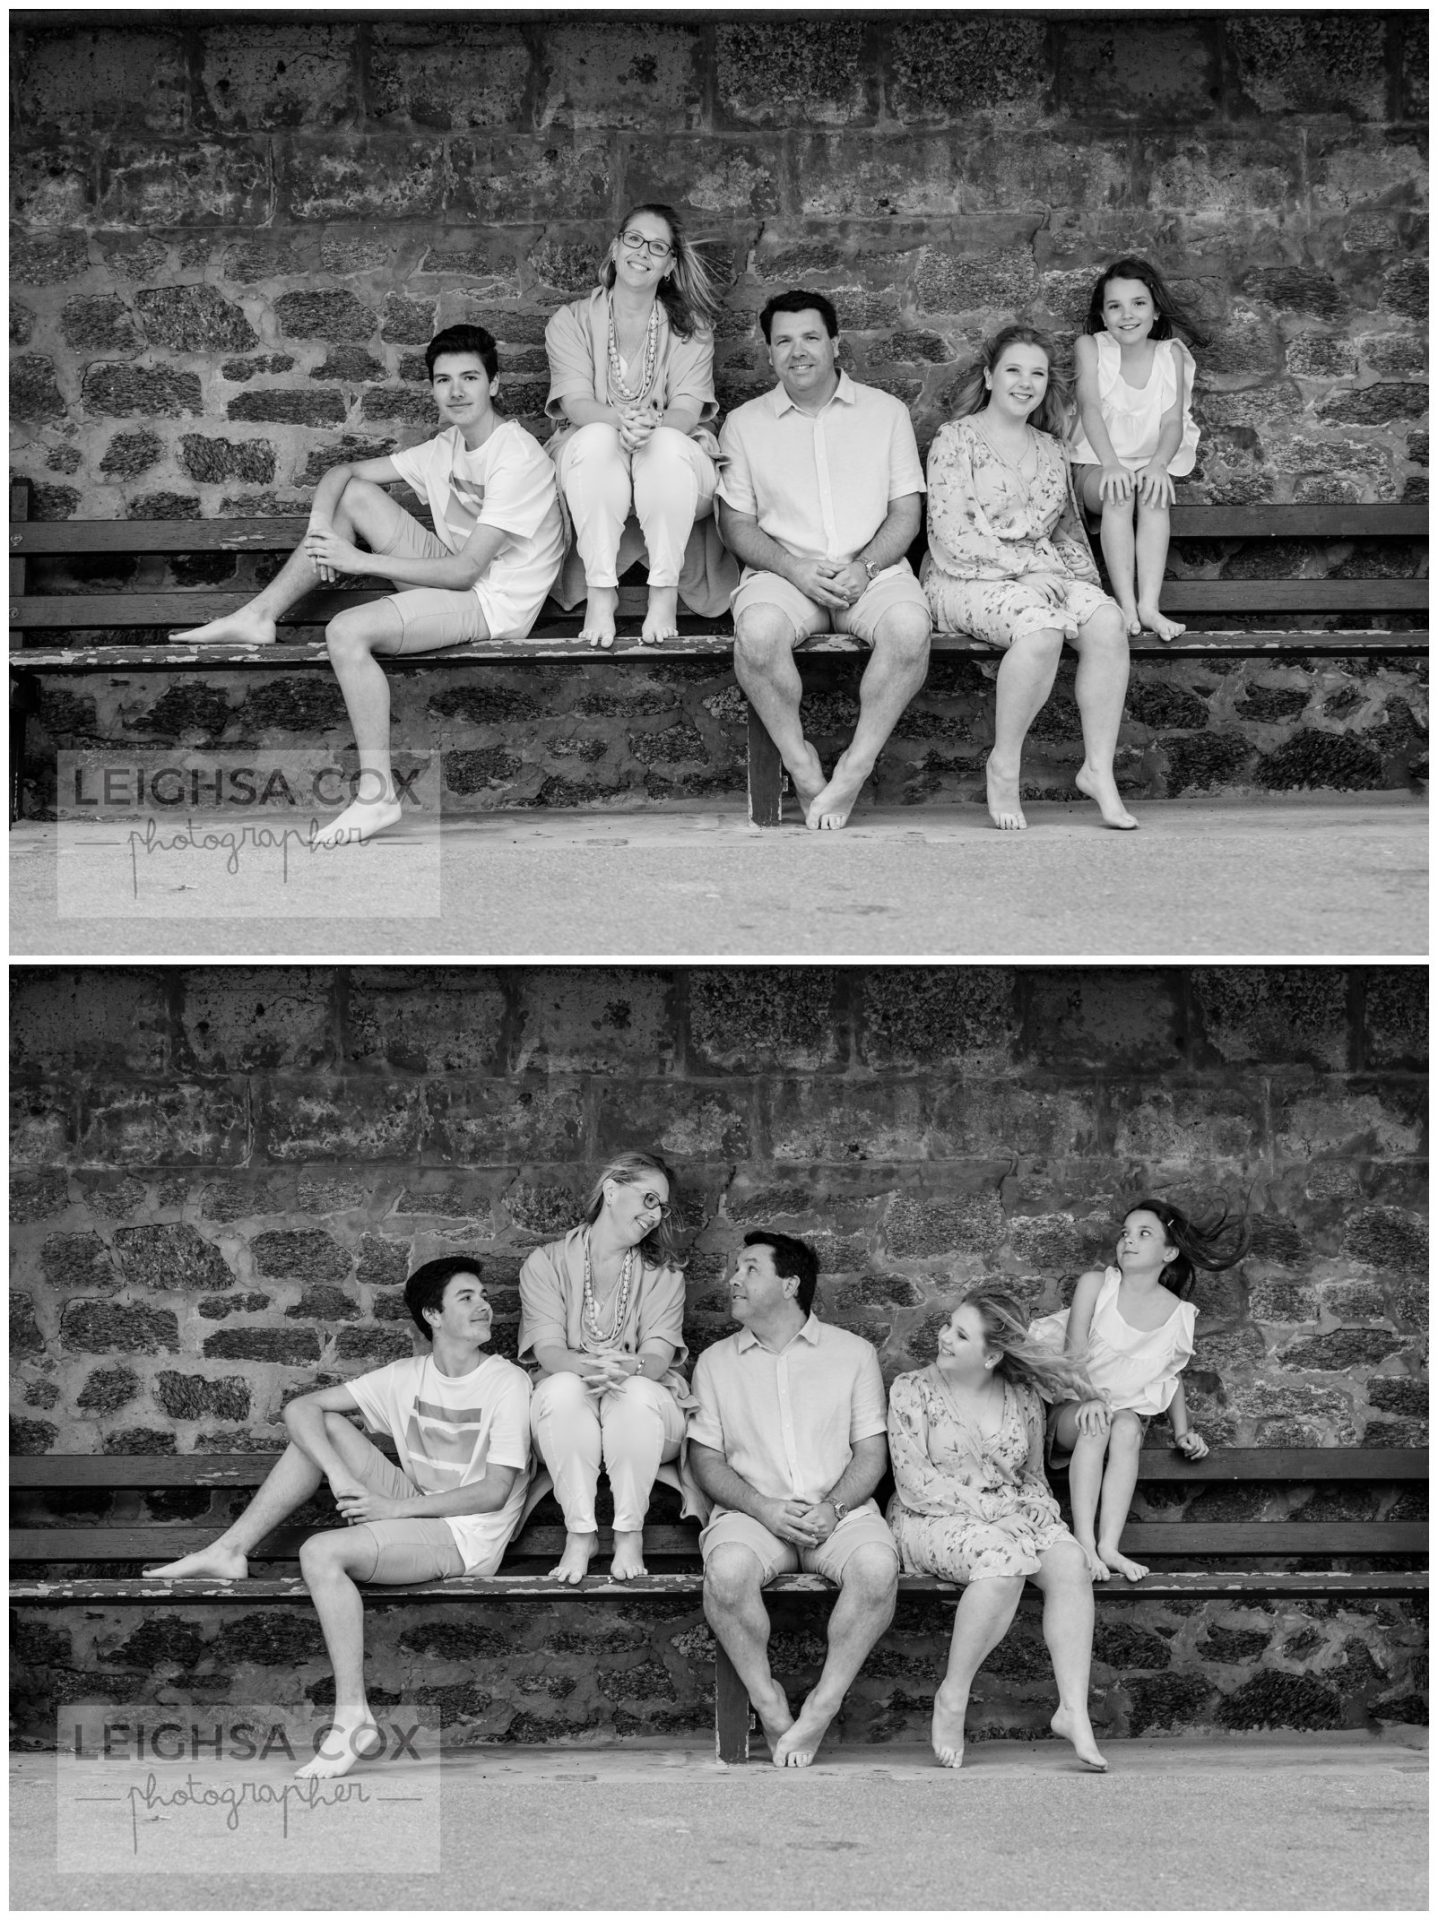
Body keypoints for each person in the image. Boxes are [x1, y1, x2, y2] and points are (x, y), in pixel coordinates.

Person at [170, 324, 564, 846]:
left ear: (494, 384)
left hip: (491, 603)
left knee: (346, 632)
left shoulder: (518, 456)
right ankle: (260, 616)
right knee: (354, 495)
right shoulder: (445, 447)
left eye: (470, 377)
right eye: (444, 380)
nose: (457, 391)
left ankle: (378, 798)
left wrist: (356, 560)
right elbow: (344, 471)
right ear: (432, 389)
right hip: (452, 574)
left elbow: (467, 572)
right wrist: (318, 529)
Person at [141, 1255, 532, 1777]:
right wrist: (340, 1476)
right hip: (416, 1507)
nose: (485, 1305)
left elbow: (494, 1491)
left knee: (319, 1552)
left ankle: (354, 1719)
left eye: (483, 1295)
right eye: (467, 1297)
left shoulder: (506, 1382)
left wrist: (394, 1509)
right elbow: (300, 1409)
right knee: (318, 1428)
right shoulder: (403, 1377)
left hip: (466, 1537)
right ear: (433, 1315)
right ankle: (230, 1551)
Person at [717, 291, 932, 831]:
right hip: (786, 576)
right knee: (758, 633)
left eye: (810, 337)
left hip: (872, 573)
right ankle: (801, 763)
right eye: (783, 341)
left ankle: (855, 769)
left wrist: (866, 567)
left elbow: (906, 512)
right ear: (769, 353)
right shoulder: (744, 424)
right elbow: (735, 524)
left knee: (909, 629)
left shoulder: (886, 413)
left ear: (835, 344)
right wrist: (794, 569)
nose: (798, 351)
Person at [688, 1230, 900, 1767]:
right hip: (753, 1515)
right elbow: (705, 1460)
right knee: (727, 1572)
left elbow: (870, 1453)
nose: (733, 1279)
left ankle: (821, 1710)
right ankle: (769, 1701)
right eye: (736, 1268)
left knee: (877, 1568)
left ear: (790, 1285)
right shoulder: (716, 1362)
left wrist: (834, 1507)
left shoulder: (853, 1354)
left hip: (839, 1514)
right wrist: (762, 1507)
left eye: (750, 1269)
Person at [921, 323, 1137, 833]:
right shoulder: (955, 439)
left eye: (1037, 373)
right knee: (1041, 631)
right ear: (990, 376)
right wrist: (1023, 570)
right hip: (962, 577)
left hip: (1039, 575)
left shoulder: (1052, 448)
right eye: (1013, 370)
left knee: (1105, 622)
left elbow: (1065, 532)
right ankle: (1005, 763)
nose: (1025, 382)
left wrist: (1076, 580)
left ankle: (1098, 771)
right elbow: (951, 531)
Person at [886, 1289, 1107, 1772]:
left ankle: (1073, 1710)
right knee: (1004, 1566)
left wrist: (1038, 1508)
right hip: (930, 1518)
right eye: (948, 1326)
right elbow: (915, 1481)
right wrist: (992, 1514)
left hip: (1007, 1517)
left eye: (960, 1335)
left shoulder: (1023, 1397)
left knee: (1069, 1562)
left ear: (991, 1355)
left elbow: (1030, 1475)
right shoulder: (911, 1390)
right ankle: (953, 1696)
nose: (944, 1337)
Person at [544, 202, 738, 648]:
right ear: (615, 248)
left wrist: (649, 429)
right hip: (591, 454)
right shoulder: (569, 321)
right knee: (595, 438)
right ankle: (600, 591)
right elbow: (575, 402)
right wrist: (618, 421)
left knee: (667, 446)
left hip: (672, 455)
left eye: (657, 246)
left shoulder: (694, 329)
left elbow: (688, 409)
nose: (642, 252)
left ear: (669, 264)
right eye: (633, 239)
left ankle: (664, 591)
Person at [1035, 1198, 1249, 1583]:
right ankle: (1083, 1540)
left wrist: (1183, 1431)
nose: (1128, 1241)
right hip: (1074, 1407)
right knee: (1099, 1420)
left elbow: (1171, 1374)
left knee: (1128, 1427)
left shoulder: (1178, 1313)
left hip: (1122, 1416)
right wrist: (1091, 1398)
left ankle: (1108, 1546)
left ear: (1169, 1252)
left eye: (1143, 1234)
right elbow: (1073, 1356)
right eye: (1125, 1233)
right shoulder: (1097, 1285)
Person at [518, 1151, 697, 1583]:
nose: (656, 1215)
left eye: (662, 1206)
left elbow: (655, 1359)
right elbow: (548, 1353)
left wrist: (627, 1368)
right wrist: (592, 1369)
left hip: (647, 1407)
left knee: (632, 1395)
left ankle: (628, 1532)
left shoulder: (664, 1275)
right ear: (612, 1190)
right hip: (568, 1412)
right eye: (649, 1199)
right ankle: (580, 1533)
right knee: (562, 1389)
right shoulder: (545, 1264)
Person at [1071, 256, 1204, 643]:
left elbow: (1172, 421)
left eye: (1138, 303)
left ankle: (1149, 605)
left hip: (1149, 464)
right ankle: (1125, 604)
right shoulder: (1090, 347)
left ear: (1156, 309)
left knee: (1152, 493)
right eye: (1115, 306)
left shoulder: (1170, 355)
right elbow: (1090, 408)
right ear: (1103, 313)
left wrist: (1160, 465)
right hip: (1096, 465)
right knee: (1120, 489)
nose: (1127, 315)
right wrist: (1111, 464)